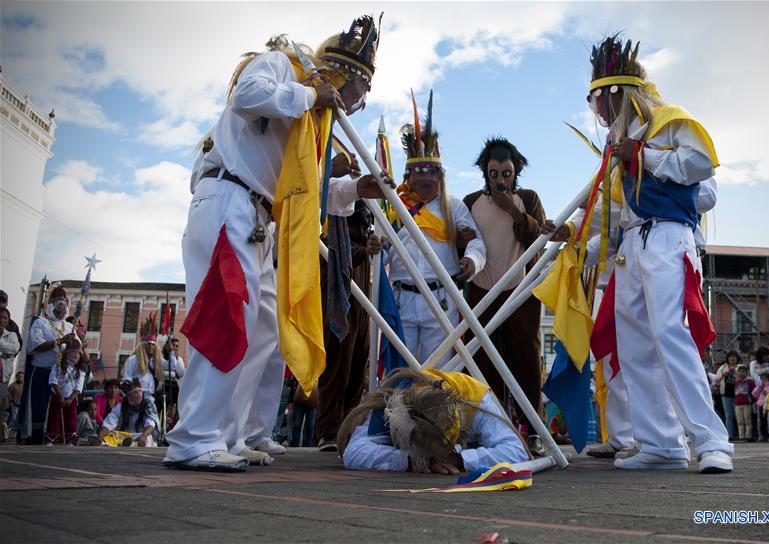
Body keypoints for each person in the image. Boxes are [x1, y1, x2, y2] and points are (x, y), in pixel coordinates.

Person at [165, 17, 388, 472]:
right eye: (351, 93)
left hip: (261, 218)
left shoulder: (310, 122)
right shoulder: (281, 68)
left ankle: (237, 432)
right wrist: (308, 94)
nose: (351, 105)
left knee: (265, 330)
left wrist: (353, 189)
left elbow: (302, 189)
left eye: (357, 101)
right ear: (333, 74)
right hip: (230, 200)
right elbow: (245, 96)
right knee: (228, 315)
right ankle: (193, 436)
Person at [577, 35, 732, 472]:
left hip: (668, 236)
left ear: (616, 93)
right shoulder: (618, 144)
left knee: (671, 335)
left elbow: (701, 165)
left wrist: (643, 156)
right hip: (631, 245)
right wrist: (577, 243)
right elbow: (611, 213)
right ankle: (660, 444)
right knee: (634, 346)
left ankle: (710, 441)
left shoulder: (667, 121)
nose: (596, 111)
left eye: (598, 99)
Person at [385, 90, 486, 368]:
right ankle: (398, 414)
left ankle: (433, 414)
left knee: (438, 372)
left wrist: (471, 260)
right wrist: (373, 249)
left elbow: (477, 243)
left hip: (440, 300)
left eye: (432, 172)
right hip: (401, 299)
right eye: (420, 172)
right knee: (400, 371)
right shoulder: (395, 205)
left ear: (440, 176)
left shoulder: (454, 206)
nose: (425, 178)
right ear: (410, 175)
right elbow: (382, 247)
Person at [462, 137, 547, 456]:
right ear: (485, 171)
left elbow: (536, 237)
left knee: (525, 358)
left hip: (520, 291)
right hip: (482, 289)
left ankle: (535, 428)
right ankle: (492, 427)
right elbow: (464, 239)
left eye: (506, 174)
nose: (499, 180)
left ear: (516, 172)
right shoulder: (471, 201)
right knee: (481, 360)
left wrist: (511, 208)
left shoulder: (528, 198)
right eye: (494, 173)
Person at [337, 368, 528, 473]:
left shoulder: (475, 400)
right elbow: (354, 452)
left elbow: (516, 451)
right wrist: (409, 461)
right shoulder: (393, 401)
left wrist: (459, 460)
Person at [316, 202, 381, 452]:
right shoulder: (330, 220)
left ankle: (349, 428)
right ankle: (329, 431)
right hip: (339, 307)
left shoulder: (366, 225)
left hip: (362, 307)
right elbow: (329, 255)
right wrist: (363, 251)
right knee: (337, 369)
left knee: (357, 368)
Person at [21, 284, 76, 444]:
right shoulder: (41, 323)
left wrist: (79, 345)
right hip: (42, 372)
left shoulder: (70, 327)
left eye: (64, 300)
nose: (61, 303)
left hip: (61, 376)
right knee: (38, 407)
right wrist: (60, 341)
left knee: (57, 409)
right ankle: (34, 439)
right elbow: (34, 347)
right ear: (51, 304)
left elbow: (78, 353)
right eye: (58, 300)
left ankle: (54, 438)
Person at [100, 380, 159, 447]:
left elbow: (150, 425)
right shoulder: (121, 406)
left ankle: (133, 444)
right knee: (112, 434)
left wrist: (144, 435)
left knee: (148, 438)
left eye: (139, 391)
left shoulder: (148, 405)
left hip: (143, 435)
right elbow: (109, 423)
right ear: (128, 397)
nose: (137, 395)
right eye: (133, 393)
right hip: (126, 436)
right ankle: (101, 443)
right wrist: (101, 436)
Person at [47, 344, 86, 445]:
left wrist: (70, 399)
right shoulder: (58, 366)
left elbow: (78, 387)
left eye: (78, 354)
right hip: (57, 396)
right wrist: (60, 396)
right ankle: (52, 438)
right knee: (54, 418)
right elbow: (53, 380)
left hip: (71, 399)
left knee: (70, 420)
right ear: (67, 354)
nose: (76, 355)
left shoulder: (80, 371)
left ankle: (69, 439)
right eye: (73, 352)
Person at [121, 314, 165, 403]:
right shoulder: (133, 359)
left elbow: (175, 368)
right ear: (143, 345)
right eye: (148, 344)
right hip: (135, 398)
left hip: (151, 399)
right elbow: (126, 379)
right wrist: (134, 392)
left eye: (153, 344)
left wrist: (171, 352)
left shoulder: (157, 361)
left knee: (152, 417)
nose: (151, 346)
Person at [0, 307, 20, 440]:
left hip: (3, 375)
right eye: (0, 317)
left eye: (5, 318)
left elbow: (14, 348)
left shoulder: (11, 335)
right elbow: (7, 350)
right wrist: (3, 352)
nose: (2, 320)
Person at [715, 351, 740, 441]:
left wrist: (736, 372)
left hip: (738, 394)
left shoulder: (740, 367)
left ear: (737, 358)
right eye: (730, 357)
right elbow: (716, 378)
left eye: (734, 357)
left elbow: (746, 377)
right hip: (726, 393)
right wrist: (724, 374)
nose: (732, 359)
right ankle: (729, 435)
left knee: (738, 415)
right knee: (728, 415)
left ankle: (740, 434)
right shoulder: (723, 367)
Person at [733, 365, 754, 441]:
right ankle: (741, 436)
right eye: (740, 372)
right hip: (738, 403)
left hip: (747, 403)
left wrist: (751, 400)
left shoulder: (750, 382)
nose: (741, 373)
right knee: (739, 421)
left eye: (743, 372)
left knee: (747, 420)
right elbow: (735, 392)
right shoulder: (737, 382)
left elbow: (753, 392)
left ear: (746, 373)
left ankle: (748, 436)